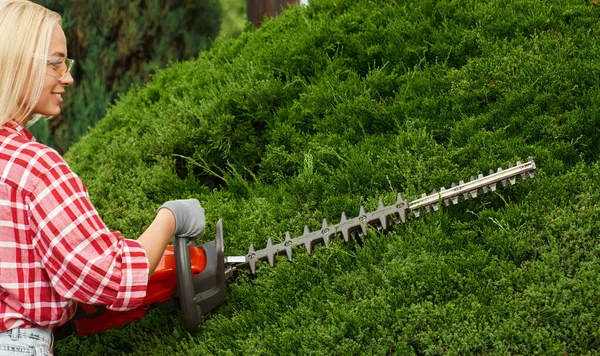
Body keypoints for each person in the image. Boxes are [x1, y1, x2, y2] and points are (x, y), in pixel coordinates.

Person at [0, 1, 206, 354]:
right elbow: (112, 274)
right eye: (55, 62)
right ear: (18, 64)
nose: (67, 76)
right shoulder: (33, 167)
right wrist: (171, 217)